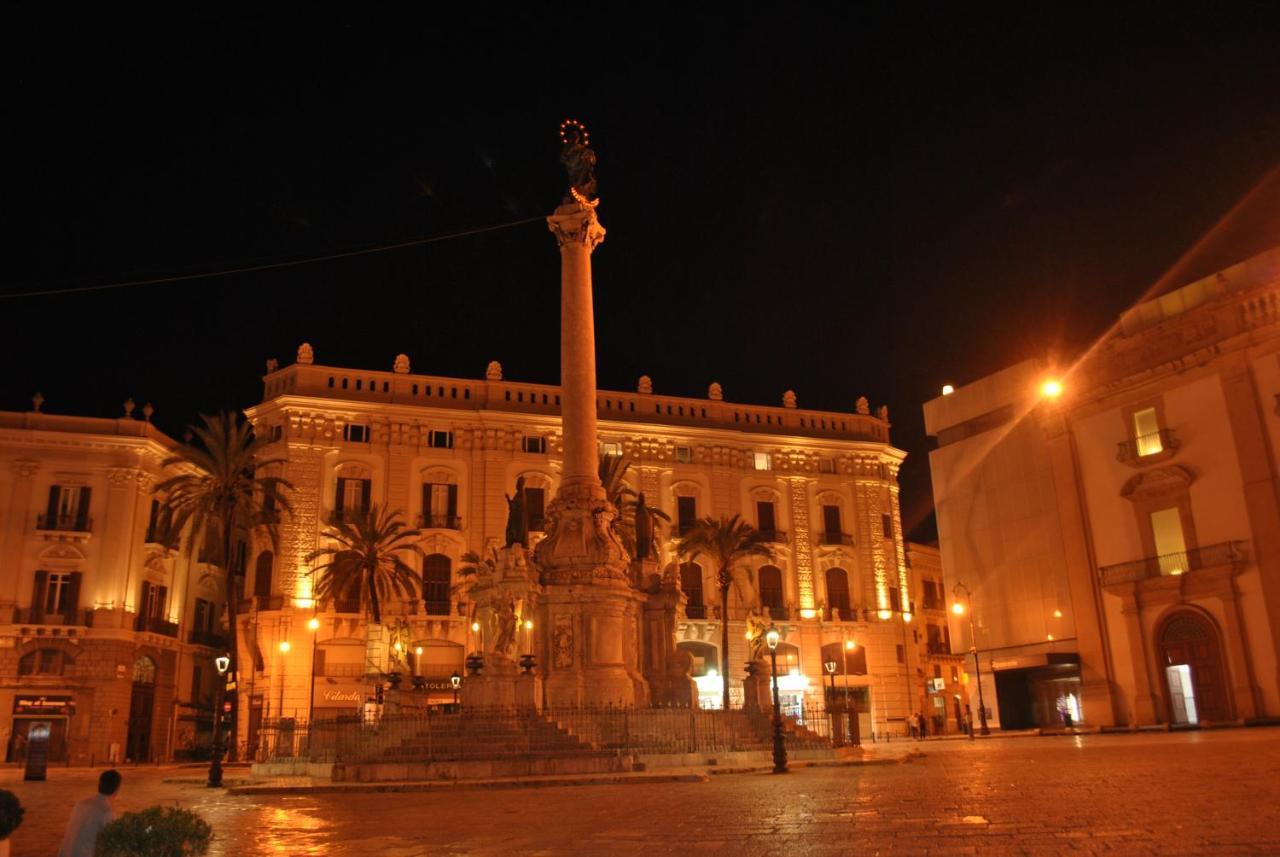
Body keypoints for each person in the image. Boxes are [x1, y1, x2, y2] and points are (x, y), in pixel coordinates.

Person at [58, 769, 121, 857]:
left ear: (99, 784)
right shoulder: (106, 811)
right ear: (117, 789)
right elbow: (113, 841)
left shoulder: (81, 803)